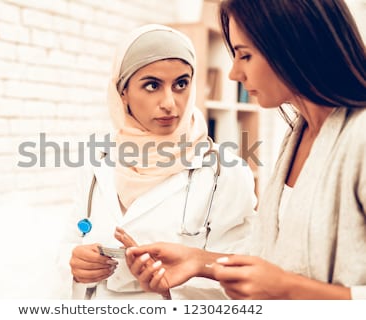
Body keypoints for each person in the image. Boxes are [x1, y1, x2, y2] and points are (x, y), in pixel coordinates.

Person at [118, 0, 366, 299]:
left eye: (244, 56)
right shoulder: (298, 136)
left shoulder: (359, 139)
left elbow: (283, 279)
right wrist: (200, 262)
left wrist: (288, 290)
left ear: (295, 46)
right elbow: (276, 254)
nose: (234, 74)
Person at [64, 23, 257, 299]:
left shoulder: (225, 171)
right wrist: (74, 264)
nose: (170, 103)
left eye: (181, 84)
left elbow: (242, 275)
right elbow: (70, 238)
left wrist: (171, 290)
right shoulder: (96, 160)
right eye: (152, 85)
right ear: (123, 92)